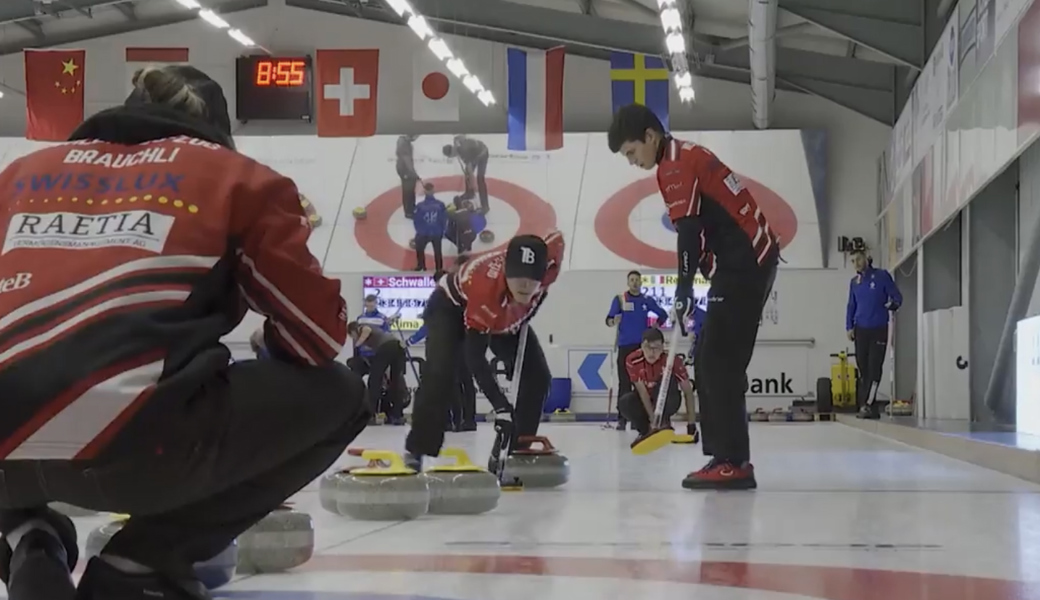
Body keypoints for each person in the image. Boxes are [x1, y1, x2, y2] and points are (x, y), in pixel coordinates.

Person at [0, 65, 369, 600]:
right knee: (342, 394)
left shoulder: (17, 175)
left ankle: (26, 540)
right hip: (142, 450)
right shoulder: (238, 179)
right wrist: (272, 349)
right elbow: (316, 335)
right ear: (219, 132)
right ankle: (142, 563)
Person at [609, 103, 778, 491]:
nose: (633, 161)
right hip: (746, 263)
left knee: (717, 362)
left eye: (632, 152)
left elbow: (687, 232)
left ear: (651, 137)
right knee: (710, 357)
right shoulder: (684, 156)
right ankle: (724, 457)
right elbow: (702, 229)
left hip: (744, 265)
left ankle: (732, 461)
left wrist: (683, 290)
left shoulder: (674, 165)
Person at [404, 232, 565, 469]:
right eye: (518, 277)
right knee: (440, 372)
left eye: (533, 279)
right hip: (451, 307)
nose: (525, 284)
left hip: (507, 309)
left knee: (537, 377)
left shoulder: (550, 265)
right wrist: (501, 407)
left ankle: (518, 446)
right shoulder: (485, 289)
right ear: (505, 272)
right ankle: (418, 449)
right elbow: (475, 357)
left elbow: (556, 237)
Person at [605, 270, 669, 430]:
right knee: (624, 383)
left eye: (637, 280)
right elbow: (608, 320)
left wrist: (654, 327)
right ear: (628, 282)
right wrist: (614, 320)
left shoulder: (646, 300)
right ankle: (622, 418)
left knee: (642, 384)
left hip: (642, 349)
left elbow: (663, 314)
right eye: (631, 280)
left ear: (641, 283)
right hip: (625, 347)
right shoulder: (620, 299)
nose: (634, 282)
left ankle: (638, 419)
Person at [846, 249, 901, 419]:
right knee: (863, 367)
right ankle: (868, 404)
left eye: (859, 259)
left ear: (866, 258)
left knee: (874, 366)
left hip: (878, 328)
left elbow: (897, 297)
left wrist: (891, 306)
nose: (857, 263)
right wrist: (849, 326)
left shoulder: (881, 276)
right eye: (853, 261)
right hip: (861, 329)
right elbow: (851, 305)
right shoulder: (854, 282)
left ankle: (868, 404)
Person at [619, 329, 699, 441]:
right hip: (647, 400)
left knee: (667, 380)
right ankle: (646, 429)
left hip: (668, 398)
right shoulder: (632, 360)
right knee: (625, 402)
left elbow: (688, 391)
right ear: (642, 346)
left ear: (662, 347)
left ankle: (664, 421)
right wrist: (653, 420)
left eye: (656, 348)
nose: (652, 352)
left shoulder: (673, 361)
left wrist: (691, 425)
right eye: (648, 347)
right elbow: (642, 392)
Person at [407, 324, 477, 432]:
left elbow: (426, 328)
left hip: (450, 351)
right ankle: (461, 420)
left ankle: (456, 420)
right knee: (459, 385)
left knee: (453, 385)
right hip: (459, 347)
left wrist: (409, 341)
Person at [348, 321, 407, 425]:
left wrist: (357, 345)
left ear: (353, 330)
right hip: (398, 348)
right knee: (395, 381)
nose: (353, 338)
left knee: (374, 380)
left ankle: (371, 415)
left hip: (387, 347)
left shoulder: (362, 327)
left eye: (352, 335)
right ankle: (397, 415)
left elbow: (367, 330)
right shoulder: (376, 335)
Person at [443, 135, 490, 214]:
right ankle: (469, 193)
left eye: (451, 156)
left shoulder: (463, 153)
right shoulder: (457, 143)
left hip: (482, 153)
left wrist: (473, 184)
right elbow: (461, 136)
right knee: (467, 172)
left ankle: (485, 206)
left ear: (452, 152)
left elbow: (470, 170)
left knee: (480, 179)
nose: (453, 157)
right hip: (474, 152)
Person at [347, 294, 392, 377]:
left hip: (377, 353)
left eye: (372, 302)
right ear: (365, 303)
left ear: (376, 303)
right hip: (363, 354)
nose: (370, 305)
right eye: (368, 302)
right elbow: (356, 336)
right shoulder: (360, 318)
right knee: (356, 375)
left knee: (377, 379)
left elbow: (386, 336)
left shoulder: (382, 318)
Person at [413, 182, 448, 274]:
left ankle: (421, 266)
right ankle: (439, 268)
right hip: (436, 232)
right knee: (437, 251)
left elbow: (416, 220)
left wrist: (419, 231)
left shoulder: (420, 206)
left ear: (425, 191)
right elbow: (443, 219)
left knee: (420, 249)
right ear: (433, 191)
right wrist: (442, 230)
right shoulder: (440, 205)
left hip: (424, 233)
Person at [396, 134, 420, 219]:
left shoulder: (402, 141)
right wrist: (413, 172)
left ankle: (410, 208)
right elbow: (406, 160)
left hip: (403, 169)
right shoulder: (404, 144)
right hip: (405, 170)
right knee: (408, 191)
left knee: (408, 190)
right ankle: (409, 211)